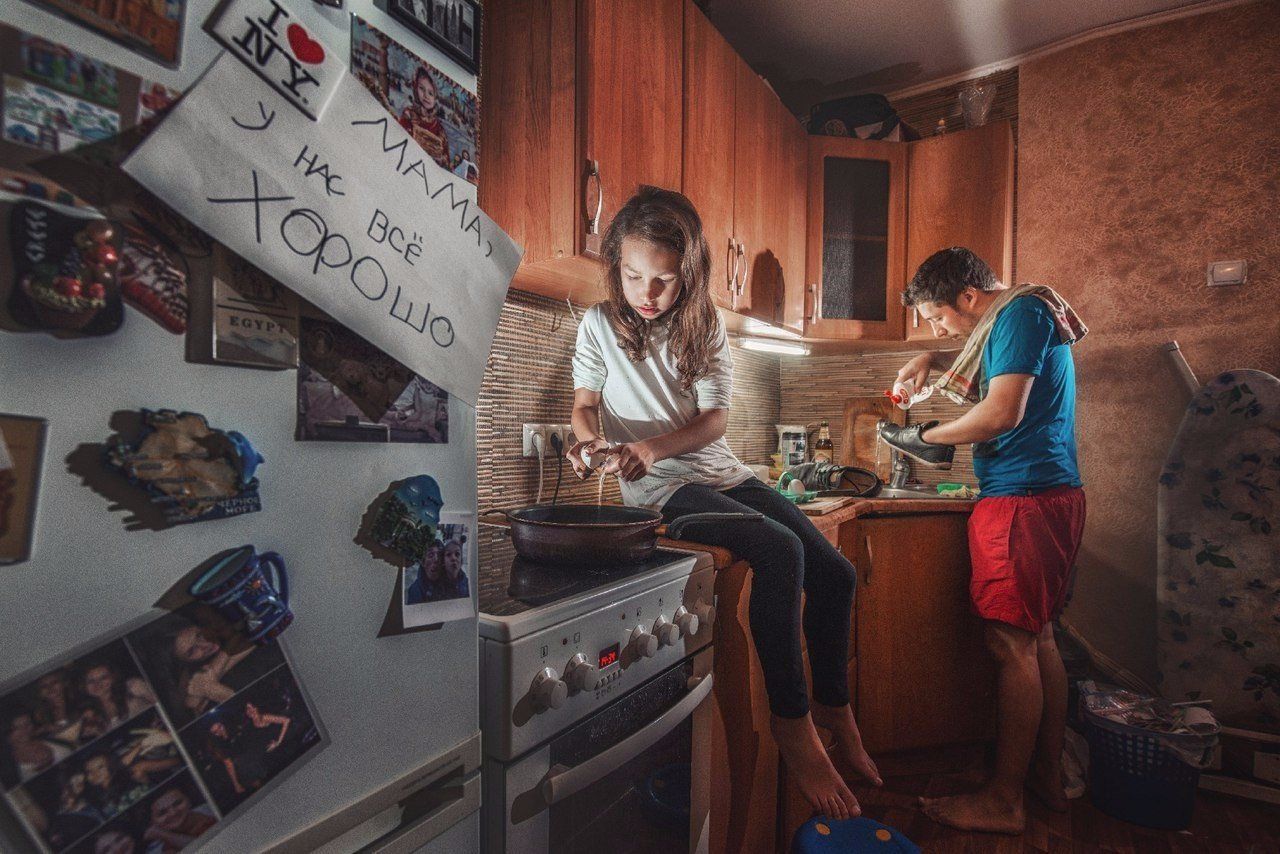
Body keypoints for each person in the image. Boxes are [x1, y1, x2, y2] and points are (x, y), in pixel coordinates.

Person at [566, 188, 878, 820]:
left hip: (721, 473)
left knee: (836, 574)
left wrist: (651, 444)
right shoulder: (599, 323)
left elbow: (713, 423)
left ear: (692, 274)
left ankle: (834, 709)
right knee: (779, 548)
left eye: (663, 280)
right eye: (632, 276)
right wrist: (586, 442)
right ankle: (794, 726)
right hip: (662, 492)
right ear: (614, 268)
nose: (646, 292)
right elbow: (583, 405)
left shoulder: (704, 325)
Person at [880, 247, 1087, 834]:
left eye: (939, 319)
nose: (939, 329)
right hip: (1048, 495)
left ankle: (1004, 799)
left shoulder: (1020, 313)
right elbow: (991, 358)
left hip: (1021, 502)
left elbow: (1000, 414)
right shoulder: (1023, 315)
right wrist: (931, 353)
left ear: (969, 297)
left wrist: (926, 437)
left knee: (1011, 648)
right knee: (1038, 639)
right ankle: (1042, 777)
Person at [397, 68, 450, 169]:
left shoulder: (439, 128)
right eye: (421, 89)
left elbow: (446, 160)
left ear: (436, 98)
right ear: (416, 89)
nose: (426, 96)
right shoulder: (409, 114)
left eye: (430, 93)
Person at [79, 662, 155, 730]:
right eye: (91, 681)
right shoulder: (89, 713)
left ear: (113, 677)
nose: (97, 684)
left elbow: (161, 702)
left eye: (103, 678)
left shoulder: (133, 686)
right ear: (84, 686)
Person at [141, 786, 216, 854]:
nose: (173, 813)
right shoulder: (156, 849)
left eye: (177, 803)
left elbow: (210, 849)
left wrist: (163, 834)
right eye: (162, 813)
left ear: (188, 801)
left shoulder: (213, 811)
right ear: (153, 822)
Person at [3, 710, 71, 784]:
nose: (25, 729)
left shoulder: (48, 737)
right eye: (16, 728)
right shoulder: (9, 770)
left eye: (27, 723)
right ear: (6, 735)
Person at [83, 751, 149, 817]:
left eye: (100, 767)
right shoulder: (92, 799)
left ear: (110, 766)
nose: (95, 774)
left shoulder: (129, 777)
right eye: (89, 771)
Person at [405, 540, 446, 604]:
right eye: (430, 555)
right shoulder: (415, 591)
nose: (436, 559)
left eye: (439, 555)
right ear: (423, 562)